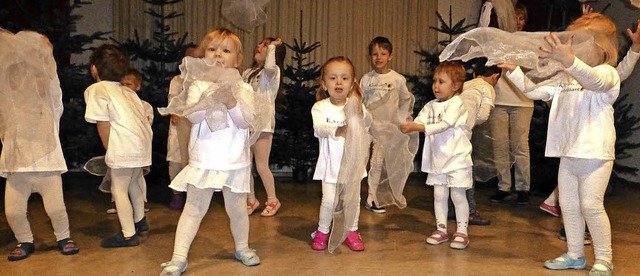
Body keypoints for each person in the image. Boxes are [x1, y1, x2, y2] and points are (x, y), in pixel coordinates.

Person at [499, 12, 620, 275]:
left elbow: (594, 81)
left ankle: (604, 259)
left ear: (599, 47)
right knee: (568, 205)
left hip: (595, 154)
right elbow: (534, 92)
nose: (571, 48)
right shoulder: (566, 80)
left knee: (590, 204)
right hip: (569, 153)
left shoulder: (607, 74)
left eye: (577, 43)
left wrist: (571, 63)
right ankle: (575, 254)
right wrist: (514, 72)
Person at [159, 28, 262, 275]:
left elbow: (245, 122)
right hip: (204, 159)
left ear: (237, 59)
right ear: (203, 55)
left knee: (237, 208)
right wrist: (210, 97)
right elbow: (192, 116)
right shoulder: (197, 85)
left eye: (225, 51)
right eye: (212, 49)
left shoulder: (244, 89)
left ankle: (242, 247)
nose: (218, 55)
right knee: (193, 209)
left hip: (234, 160)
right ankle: (178, 257)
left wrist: (230, 102)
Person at [0, 30, 79, 261]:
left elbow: (52, 82)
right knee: (13, 212)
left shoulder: (50, 107)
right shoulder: (9, 107)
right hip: (17, 168)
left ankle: (63, 237)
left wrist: (46, 52)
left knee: (56, 209)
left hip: (48, 166)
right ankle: (25, 240)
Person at [84, 44, 152, 248]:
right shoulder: (127, 91)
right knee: (134, 182)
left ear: (94, 69)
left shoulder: (96, 89)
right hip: (141, 144)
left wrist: (108, 150)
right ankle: (140, 221)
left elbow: (102, 122)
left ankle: (128, 234)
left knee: (118, 189)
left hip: (123, 146)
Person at [401, 61, 472, 250]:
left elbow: (445, 125)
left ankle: (462, 232)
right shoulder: (430, 106)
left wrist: (419, 127)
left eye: (441, 82)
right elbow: (417, 122)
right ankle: (441, 229)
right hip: (437, 160)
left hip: (457, 158)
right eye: (434, 81)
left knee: (457, 194)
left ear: (455, 86)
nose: (435, 86)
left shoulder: (457, 103)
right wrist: (406, 125)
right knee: (439, 194)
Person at [311, 56, 370, 252]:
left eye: (344, 78)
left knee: (352, 200)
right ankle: (323, 231)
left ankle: (351, 230)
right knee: (329, 200)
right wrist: (337, 130)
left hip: (353, 167)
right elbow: (319, 129)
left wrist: (360, 114)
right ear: (324, 83)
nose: (338, 82)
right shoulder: (320, 107)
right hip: (331, 167)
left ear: (352, 83)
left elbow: (367, 127)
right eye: (333, 78)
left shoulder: (357, 106)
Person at [479, 1, 534, 204]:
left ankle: (523, 188)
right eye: (513, 17)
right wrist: (488, 8)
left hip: (523, 101)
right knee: (500, 146)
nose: (517, 22)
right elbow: (482, 33)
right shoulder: (498, 41)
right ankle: (504, 187)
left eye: (521, 18)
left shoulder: (528, 41)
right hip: (499, 100)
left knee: (520, 145)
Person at [359, 36, 418, 214]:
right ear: (370, 57)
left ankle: (372, 197)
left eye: (383, 54)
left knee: (377, 162)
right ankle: (350, 193)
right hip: (368, 126)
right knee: (361, 160)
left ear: (390, 56)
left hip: (385, 129)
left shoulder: (398, 79)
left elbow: (405, 100)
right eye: (375, 54)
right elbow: (360, 101)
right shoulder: (366, 79)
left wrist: (401, 120)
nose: (379, 57)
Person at [242, 37, 285, 217]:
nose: (259, 46)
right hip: (246, 124)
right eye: (260, 44)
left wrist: (273, 47)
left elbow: (268, 67)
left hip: (263, 125)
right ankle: (251, 199)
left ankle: (273, 200)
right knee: (245, 165)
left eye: (265, 45)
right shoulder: (247, 73)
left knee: (261, 165)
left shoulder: (272, 72)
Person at [455, 61, 501, 225]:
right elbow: (483, 115)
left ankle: (452, 209)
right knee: (467, 172)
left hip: (448, 131)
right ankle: (470, 212)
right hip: (463, 132)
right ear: (495, 77)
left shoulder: (465, 84)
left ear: (475, 74)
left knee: (450, 171)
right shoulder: (487, 88)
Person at [104, 68, 153, 214]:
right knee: (119, 181)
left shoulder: (144, 105)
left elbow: (145, 126)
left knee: (137, 179)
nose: (125, 87)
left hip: (136, 148)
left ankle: (141, 204)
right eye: (122, 84)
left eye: (129, 84)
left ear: (137, 86)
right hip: (120, 146)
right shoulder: (117, 102)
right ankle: (117, 203)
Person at [166, 46, 198, 211]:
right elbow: (173, 100)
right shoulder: (177, 80)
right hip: (179, 124)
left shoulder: (202, 81)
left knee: (194, 159)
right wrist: (174, 113)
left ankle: (193, 195)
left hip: (196, 124)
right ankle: (177, 194)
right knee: (176, 160)